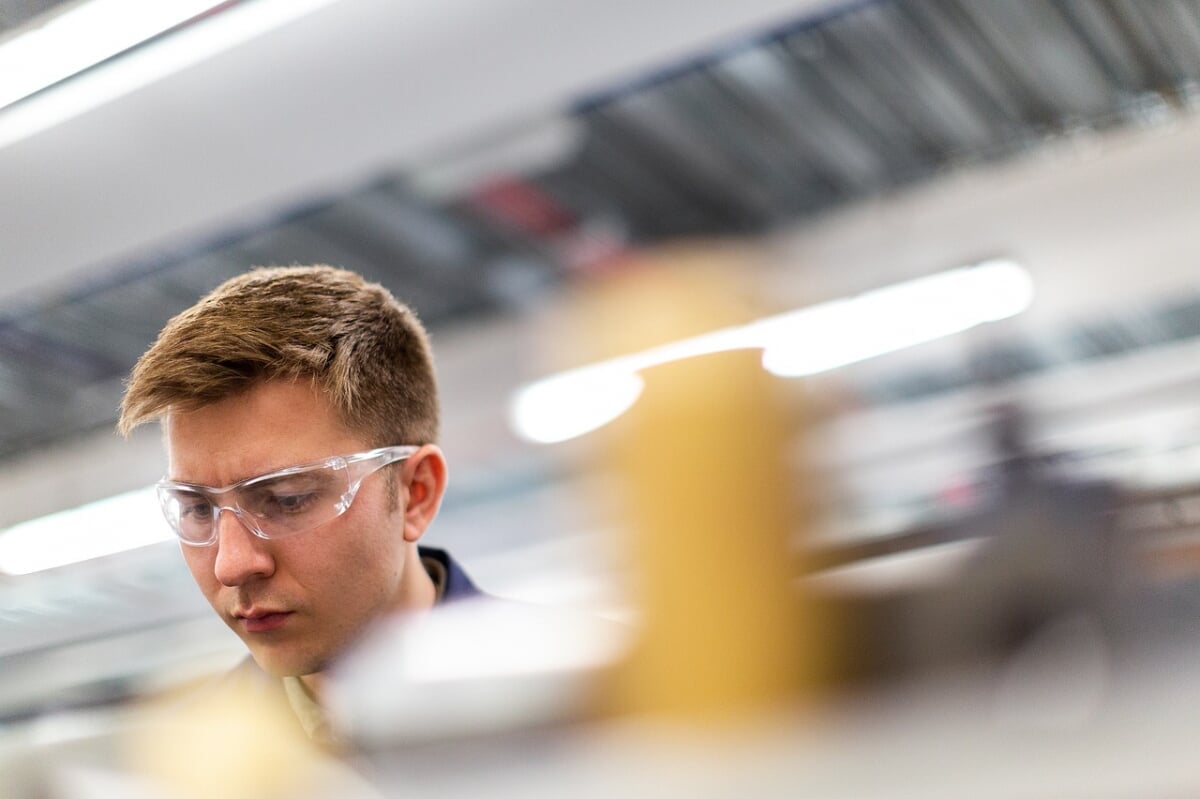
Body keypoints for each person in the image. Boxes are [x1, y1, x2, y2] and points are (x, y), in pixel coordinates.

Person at [118, 264, 480, 744]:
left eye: (287, 500)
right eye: (198, 508)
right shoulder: (176, 770)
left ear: (416, 493)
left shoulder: (594, 709)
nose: (232, 564)